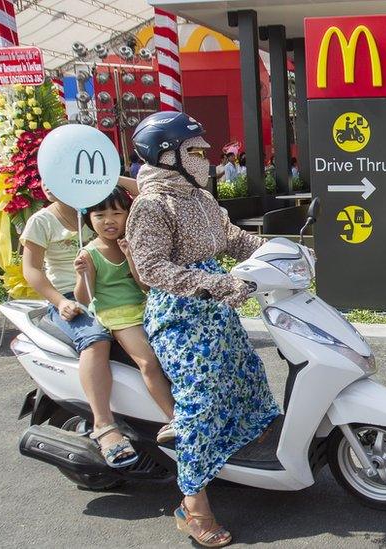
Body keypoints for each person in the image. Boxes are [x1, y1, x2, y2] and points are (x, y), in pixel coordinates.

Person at [127, 112, 279, 547]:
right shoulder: (151, 205)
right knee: (202, 400)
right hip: (181, 315)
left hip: (217, 309)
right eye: (193, 151)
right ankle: (192, 503)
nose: (204, 159)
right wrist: (211, 282)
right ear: (166, 155)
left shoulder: (200, 198)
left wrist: (283, 250)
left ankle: (247, 448)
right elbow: (153, 268)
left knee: (248, 373)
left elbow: (232, 238)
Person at [21, 177, 141, 468]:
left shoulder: (98, 208)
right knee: (96, 339)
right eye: (45, 178)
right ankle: (104, 425)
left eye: (60, 175)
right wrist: (61, 302)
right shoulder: (42, 221)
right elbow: (31, 270)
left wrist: (106, 175)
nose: (50, 184)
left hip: (117, 293)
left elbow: (143, 191)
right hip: (70, 297)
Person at [73, 188, 176, 439]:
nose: (109, 220)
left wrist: (131, 255)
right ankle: (174, 418)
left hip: (145, 307)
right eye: (100, 215)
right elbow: (84, 298)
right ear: (89, 219)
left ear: (129, 215)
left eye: (117, 213)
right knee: (148, 362)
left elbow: (144, 285)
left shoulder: (131, 244)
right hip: (117, 315)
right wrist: (81, 274)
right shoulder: (90, 253)